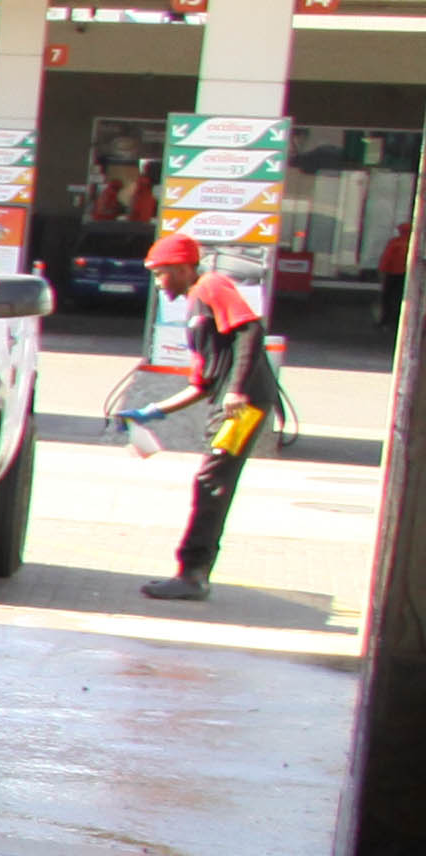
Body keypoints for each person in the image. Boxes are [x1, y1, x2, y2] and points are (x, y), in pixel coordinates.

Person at [123, 232, 290, 603]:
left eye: (162, 273)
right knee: (210, 481)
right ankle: (193, 572)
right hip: (231, 403)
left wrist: (236, 390)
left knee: (211, 481)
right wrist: (153, 412)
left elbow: (250, 330)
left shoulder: (211, 285)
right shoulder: (195, 310)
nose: (158, 281)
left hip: (244, 407)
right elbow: (201, 383)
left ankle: (193, 575)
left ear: (183, 268)